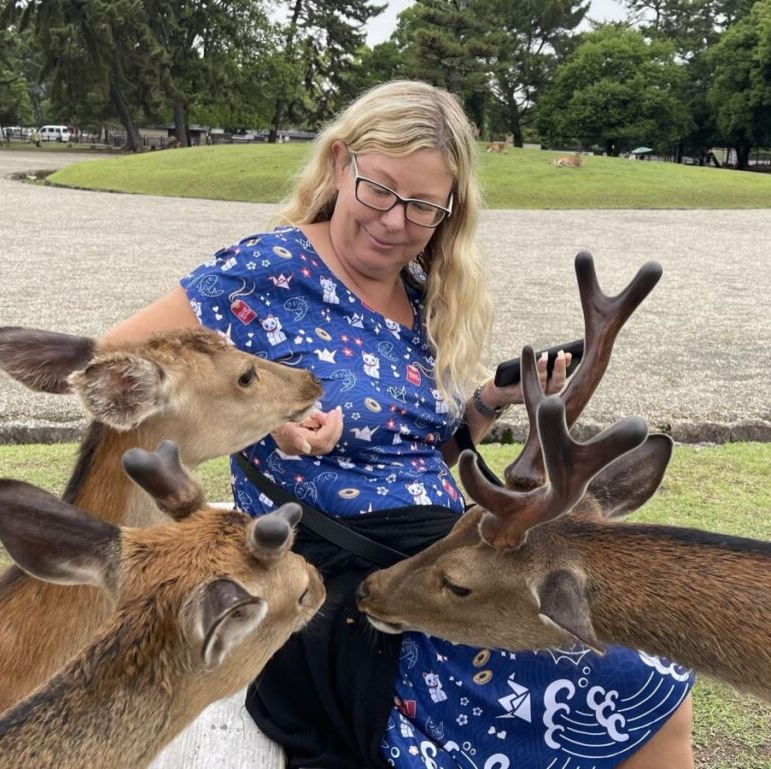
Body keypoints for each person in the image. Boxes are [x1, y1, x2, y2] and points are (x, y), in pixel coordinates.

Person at [105, 80, 694, 769]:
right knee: (625, 674)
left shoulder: (419, 295)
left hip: (441, 550)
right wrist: (262, 420)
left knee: (647, 654)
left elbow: (421, 453)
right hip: (335, 574)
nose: (393, 221)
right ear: (338, 165)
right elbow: (114, 373)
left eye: (421, 206)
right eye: (379, 190)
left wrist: (488, 399)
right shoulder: (263, 271)